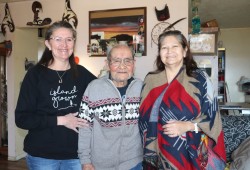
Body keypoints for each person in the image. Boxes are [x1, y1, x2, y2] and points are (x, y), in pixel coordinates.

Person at [139, 30, 226, 169]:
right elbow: (143, 118)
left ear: (185, 51)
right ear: (160, 53)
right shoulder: (150, 80)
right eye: (164, 48)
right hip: (156, 154)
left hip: (192, 154)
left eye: (175, 46)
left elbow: (213, 119)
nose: (169, 51)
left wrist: (187, 126)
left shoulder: (200, 79)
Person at [15, 21, 96, 170]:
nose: (64, 44)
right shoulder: (35, 75)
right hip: (42, 156)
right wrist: (62, 120)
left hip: (76, 155)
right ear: (48, 43)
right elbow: (22, 119)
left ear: (73, 42)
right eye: (58, 39)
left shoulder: (82, 74)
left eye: (69, 39)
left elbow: (104, 94)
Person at [78, 44, 143, 170]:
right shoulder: (94, 88)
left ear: (134, 64)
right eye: (116, 61)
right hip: (101, 164)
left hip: (134, 163)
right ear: (107, 64)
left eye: (127, 61)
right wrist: (85, 160)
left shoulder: (141, 87)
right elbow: (84, 127)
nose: (122, 66)